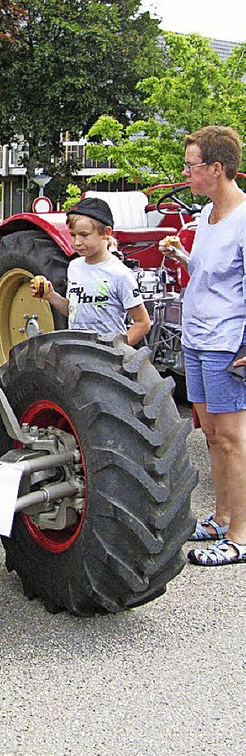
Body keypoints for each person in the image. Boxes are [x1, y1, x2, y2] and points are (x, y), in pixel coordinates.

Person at [159, 125, 246, 566]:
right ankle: (221, 517)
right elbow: (216, 278)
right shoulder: (207, 218)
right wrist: (184, 259)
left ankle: (241, 535)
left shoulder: (244, 220)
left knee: (232, 437)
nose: (186, 172)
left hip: (227, 343)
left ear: (216, 168)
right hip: (197, 339)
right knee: (211, 435)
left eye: (191, 165)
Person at [31, 197, 151, 347]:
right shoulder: (74, 267)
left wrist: (118, 351)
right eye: (73, 235)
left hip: (106, 358)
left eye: (84, 235)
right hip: (78, 351)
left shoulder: (120, 274)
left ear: (106, 232)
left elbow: (142, 322)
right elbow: (75, 311)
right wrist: (51, 296)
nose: (77, 242)